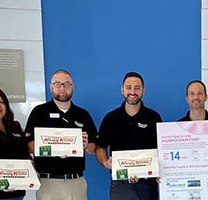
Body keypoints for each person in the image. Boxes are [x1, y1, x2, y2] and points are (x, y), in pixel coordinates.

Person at [25, 69, 98, 200]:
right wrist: (52, 149)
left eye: (66, 84)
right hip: (48, 183)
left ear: (72, 87)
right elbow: (29, 146)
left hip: (76, 182)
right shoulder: (39, 112)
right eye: (57, 84)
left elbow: (94, 148)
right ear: (51, 87)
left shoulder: (82, 114)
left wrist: (86, 146)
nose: (62, 88)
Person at [95, 71, 162, 200]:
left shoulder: (154, 117)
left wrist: (160, 170)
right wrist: (105, 162)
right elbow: (100, 147)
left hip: (147, 184)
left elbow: (162, 149)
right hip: (120, 184)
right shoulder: (111, 118)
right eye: (128, 87)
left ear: (143, 90)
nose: (133, 92)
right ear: (122, 90)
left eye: (137, 88)